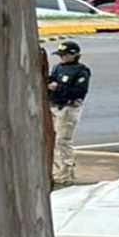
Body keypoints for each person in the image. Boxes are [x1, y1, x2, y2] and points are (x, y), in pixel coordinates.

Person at [47, 41, 90, 184]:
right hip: (54, 106)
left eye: (65, 55)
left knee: (62, 141)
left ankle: (65, 175)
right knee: (53, 141)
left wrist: (58, 88)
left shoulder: (81, 71)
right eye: (61, 55)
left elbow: (79, 92)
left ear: (74, 55)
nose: (62, 58)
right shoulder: (57, 68)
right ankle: (56, 172)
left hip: (68, 108)